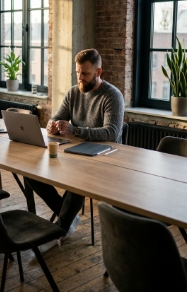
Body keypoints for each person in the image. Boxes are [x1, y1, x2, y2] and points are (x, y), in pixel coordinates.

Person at [25, 48, 125, 250]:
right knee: (30, 172)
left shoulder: (112, 96)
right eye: (77, 72)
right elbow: (56, 117)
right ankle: (69, 219)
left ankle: (60, 228)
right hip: (75, 153)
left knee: (77, 180)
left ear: (98, 73)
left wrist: (75, 130)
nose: (80, 77)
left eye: (85, 73)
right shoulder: (74, 92)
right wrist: (52, 125)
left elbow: (112, 133)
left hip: (104, 158)